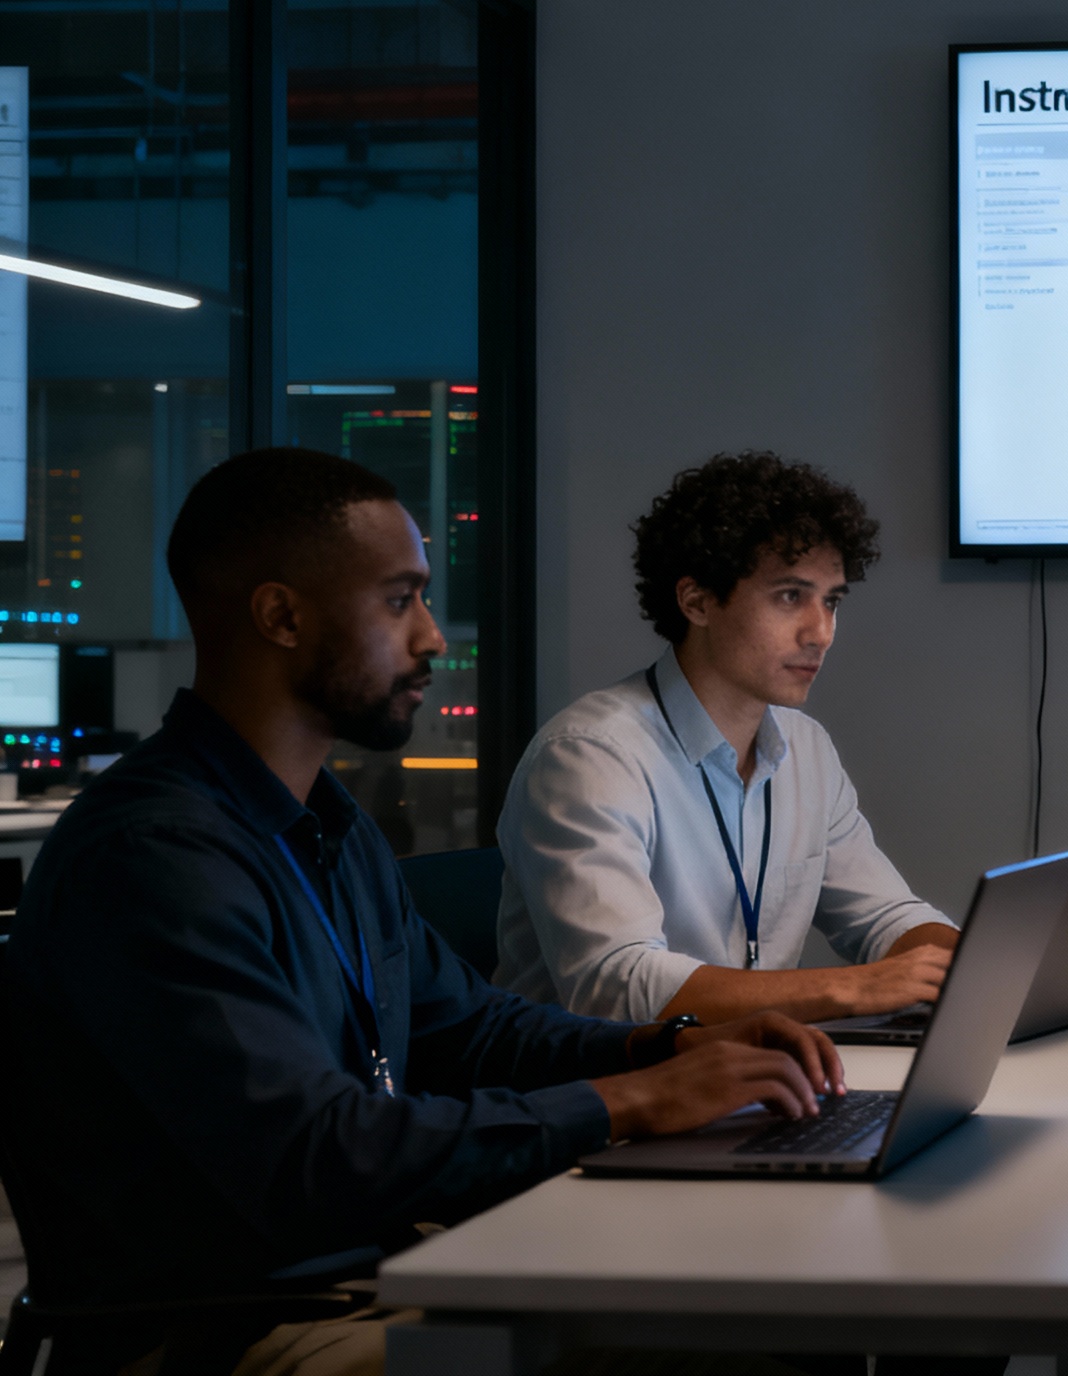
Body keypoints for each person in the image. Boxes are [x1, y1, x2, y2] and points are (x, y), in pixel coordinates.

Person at [0, 449, 845, 1373]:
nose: (434, 637)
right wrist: (630, 1102)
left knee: (779, 1314)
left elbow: (472, 1031)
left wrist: (662, 1048)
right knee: (728, 1347)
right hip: (232, 1327)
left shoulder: (324, 823)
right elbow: (319, 1158)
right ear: (281, 615)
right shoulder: (153, 859)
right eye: (400, 600)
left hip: (376, 1266)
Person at [495, 453, 959, 1025]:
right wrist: (855, 990)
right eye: (790, 596)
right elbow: (615, 985)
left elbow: (886, 918)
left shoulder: (805, 749)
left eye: (831, 600)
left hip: (750, 1082)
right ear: (696, 601)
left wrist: (975, 966)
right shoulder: (588, 756)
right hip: (600, 1094)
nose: (821, 633)